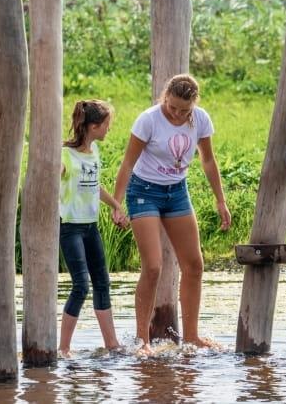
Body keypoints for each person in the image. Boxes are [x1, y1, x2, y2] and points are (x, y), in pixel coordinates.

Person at [112, 74, 232, 354]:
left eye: (184, 110)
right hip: (144, 192)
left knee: (194, 265)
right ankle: (142, 341)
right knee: (153, 266)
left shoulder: (201, 119)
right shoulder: (149, 120)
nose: (177, 114)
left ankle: (191, 336)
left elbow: (208, 160)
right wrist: (117, 205)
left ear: (193, 105)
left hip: (177, 192)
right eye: (172, 107)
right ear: (165, 97)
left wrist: (220, 200)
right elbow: (128, 163)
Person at [58, 99, 129, 357]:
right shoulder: (65, 154)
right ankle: (64, 348)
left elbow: (95, 186)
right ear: (94, 126)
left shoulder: (94, 151)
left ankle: (112, 344)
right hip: (70, 228)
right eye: (107, 125)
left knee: (102, 283)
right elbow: (53, 175)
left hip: (90, 227)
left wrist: (116, 207)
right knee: (81, 285)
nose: (109, 129)